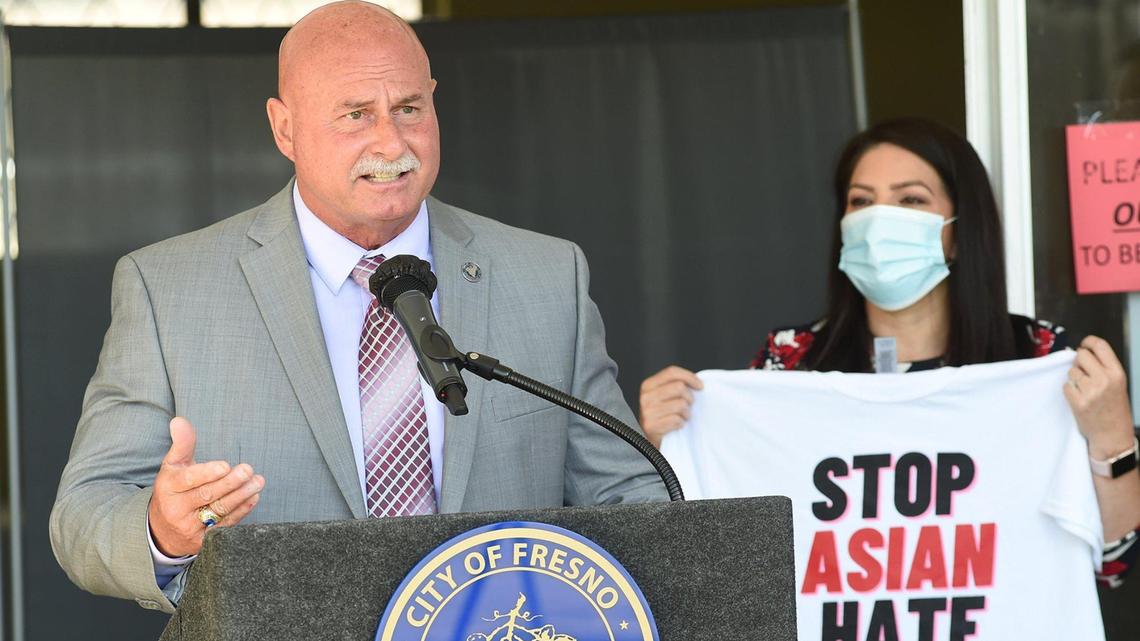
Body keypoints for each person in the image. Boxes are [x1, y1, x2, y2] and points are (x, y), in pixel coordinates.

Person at [50, 0, 666, 614]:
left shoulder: (547, 275)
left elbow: (628, 494)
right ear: (284, 128)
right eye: (355, 114)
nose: (391, 142)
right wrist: (163, 530)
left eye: (409, 108)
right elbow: (84, 513)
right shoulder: (168, 288)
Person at [639, 117, 1140, 587]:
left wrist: (1113, 439)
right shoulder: (788, 361)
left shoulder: (1036, 359)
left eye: (911, 201)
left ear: (961, 232)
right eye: (861, 202)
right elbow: (725, 553)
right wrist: (663, 449)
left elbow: (1109, 563)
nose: (879, 221)